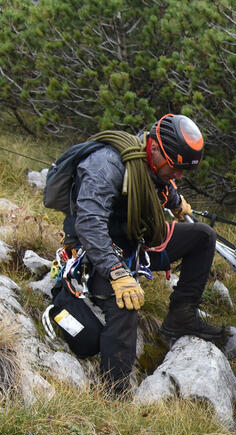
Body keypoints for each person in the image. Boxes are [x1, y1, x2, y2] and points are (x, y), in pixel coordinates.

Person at [59, 114, 224, 394]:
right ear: (156, 148)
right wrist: (116, 272)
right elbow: (89, 224)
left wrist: (175, 201)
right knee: (126, 302)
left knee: (203, 237)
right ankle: (115, 393)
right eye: (175, 167)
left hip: (136, 243)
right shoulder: (106, 164)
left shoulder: (151, 164)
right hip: (97, 249)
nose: (179, 175)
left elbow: (155, 187)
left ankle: (181, 316)